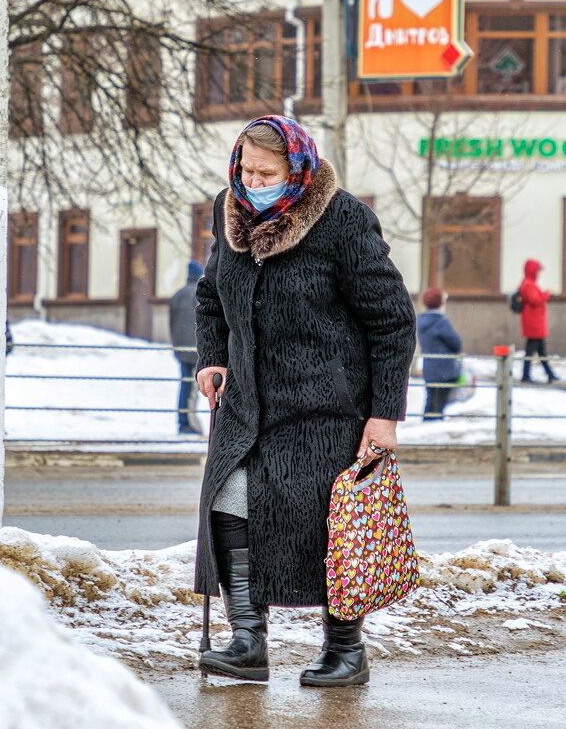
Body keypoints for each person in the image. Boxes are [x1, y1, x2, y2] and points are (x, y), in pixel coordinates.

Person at [193, 115, 416, 688]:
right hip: (247, 403)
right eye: (246, 169)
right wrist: (212, 357)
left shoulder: (341, 218)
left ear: (297, 169)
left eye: (266, 172)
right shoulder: (231, 209)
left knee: (332, 527)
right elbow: (211, 294)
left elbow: (392, 321)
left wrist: (384, 412)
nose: (253, 180)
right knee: (230, 506)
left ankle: (346, 648)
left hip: (327, 409)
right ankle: (248, 641)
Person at [168, 261, 205, 435]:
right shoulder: (201, 294)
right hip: (196, 349)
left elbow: (172, 322)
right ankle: (188, 423)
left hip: (182, 348)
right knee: (192, 389)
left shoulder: (178, 295)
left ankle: (183, 419)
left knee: (186, 385)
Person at [416, 287, 462, 421]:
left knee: (431, 400)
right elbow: (456, 343)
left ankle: (427, 425)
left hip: (430, 368)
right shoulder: (440, 322)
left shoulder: (421, 321)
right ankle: (433, 427)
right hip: (444, 368)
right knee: (439, 403)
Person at [518, 259, 559, 383]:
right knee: (533, 351)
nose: (539, 273)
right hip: (534, 322)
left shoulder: (528, 283)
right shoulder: (529, 284)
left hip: (534, 321)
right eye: (538, 270)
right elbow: (535, 300)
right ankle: (529, 376)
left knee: (539, 351)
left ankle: (549, 375)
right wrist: (547, 294)